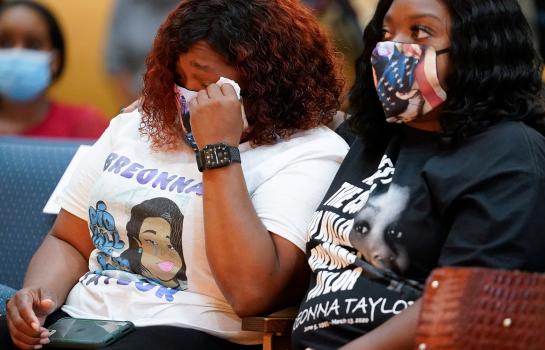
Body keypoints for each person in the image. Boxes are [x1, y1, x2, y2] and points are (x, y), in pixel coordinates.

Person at [1, 0, 348, 349]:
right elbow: (69, 241)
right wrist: (38, 300)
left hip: (188, 332)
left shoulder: (310, 152)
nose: (185, 96)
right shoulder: (135, 126)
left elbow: (252, 293)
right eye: (179, 78)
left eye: (206, 83)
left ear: (266, 82)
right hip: (84, 324)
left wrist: (218, 152)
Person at [291, 0, 545, 349]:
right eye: (386, 32)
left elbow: (474, 304)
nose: (393, 48)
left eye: (420, 31)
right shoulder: (364, 137)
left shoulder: (512, 155)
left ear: (477, 49)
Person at [0, 1, 108, 139]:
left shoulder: (85, 125)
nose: (17, 53)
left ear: (54, 61)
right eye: (6, 43)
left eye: (33, 45)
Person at [104, 0, 180, 107]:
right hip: (135, 103)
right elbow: (115, 64)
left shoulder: (199, 6)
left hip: (187, 106)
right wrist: (138, 110)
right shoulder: (127, 4)